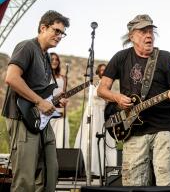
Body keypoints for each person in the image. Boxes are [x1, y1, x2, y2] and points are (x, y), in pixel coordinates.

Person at [97, 14, 170, 186]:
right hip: (133, 128)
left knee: (165, 177)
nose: (149, 35)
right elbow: (101, 90)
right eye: (143, 31)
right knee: (133, 182)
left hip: (164, 126)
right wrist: (117, 98)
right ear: (131, 36)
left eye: (151, 31)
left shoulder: (166, 57)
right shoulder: (121, 57)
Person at [2, 10, 69, 191]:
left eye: (62, 33)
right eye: (56, 31)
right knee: (25, 179)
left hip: (41, 120)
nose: (60, 36)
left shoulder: (46, 56)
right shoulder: (27, 47)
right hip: (22, 117)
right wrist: (40, 102)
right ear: (43, 27)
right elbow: (12, 78)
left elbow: (39, 90)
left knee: (50, 173)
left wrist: (53, 101)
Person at [74, 63, 117, 176]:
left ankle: (104, 170)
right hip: (92, 114)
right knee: (90, 139)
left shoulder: (108, 85)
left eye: (105, 70)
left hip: (102, 115)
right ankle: (90, 168)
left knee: (104, 140)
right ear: (98, 73)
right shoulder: (93, 85)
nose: (103, 72)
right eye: (101, 70)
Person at [49, 52, 70, 148]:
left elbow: (64, 95)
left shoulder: (63, 78)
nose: (54, 61)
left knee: (61, 140)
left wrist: (65, 106)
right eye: (52, 59)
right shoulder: (44, 76)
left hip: (60, 112)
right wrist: (56, 97)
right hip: (47, 111)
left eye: (56, 59)